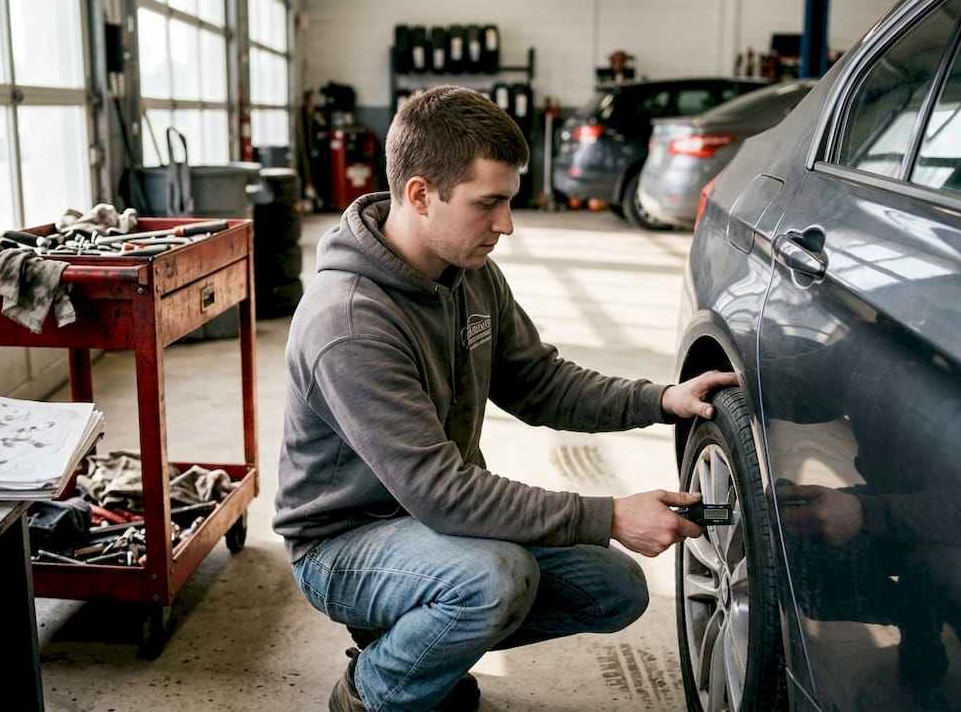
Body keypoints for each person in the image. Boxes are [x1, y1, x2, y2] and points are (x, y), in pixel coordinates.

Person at [272, 85, 738, 712]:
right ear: (419, 194)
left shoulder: (470, 275)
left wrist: (661, 399)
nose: (506, 224)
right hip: (345, 544)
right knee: (492, 582)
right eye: (487, 203)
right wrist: (610, 515)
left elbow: (541, 384)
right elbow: (440, 490)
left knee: (615, 589)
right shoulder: (350, 322)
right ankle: (373, 692)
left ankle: (416, 645)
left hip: (435, 527)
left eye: (510, 201)